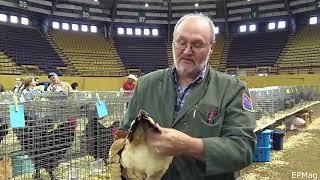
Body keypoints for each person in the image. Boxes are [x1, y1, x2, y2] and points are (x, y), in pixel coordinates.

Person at [118, 13, 256, 180]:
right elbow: (125, 132)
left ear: (211, 47)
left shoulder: (232, 90)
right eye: (181, 42)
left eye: (197, 44)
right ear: (173, 44)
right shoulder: (146, 84)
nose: (187, 51)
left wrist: (190, 146)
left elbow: (243, 150)